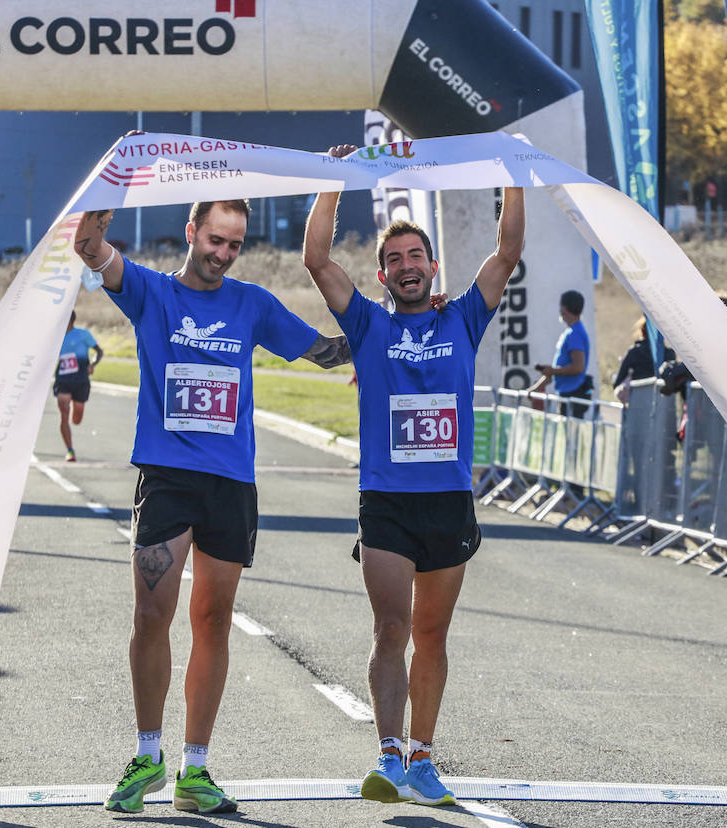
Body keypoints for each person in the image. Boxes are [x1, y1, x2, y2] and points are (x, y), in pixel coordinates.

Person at [75, 200, 351, 816]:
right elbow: (91, 249)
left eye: (235, 245)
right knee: (152, 612)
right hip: (168, 477)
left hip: (230, 483)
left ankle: (194, 770)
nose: (224, 254)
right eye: (216, 240)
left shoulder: (251, 303)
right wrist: (106, 194)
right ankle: (147, 753)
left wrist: (396, 328)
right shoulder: (150, 292)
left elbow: (325, 352)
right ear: (192, 232)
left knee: (213, 622)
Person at [302, 144, 523, 808]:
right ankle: (389, 754)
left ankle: (424, 759)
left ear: (432, 267)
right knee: (391, 629)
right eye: (393, 260)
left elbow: (507, 252)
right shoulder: (367, 324)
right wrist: (335, 184)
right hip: (388, 504)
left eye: (414, 257)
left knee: (431, 634)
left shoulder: (464, 317)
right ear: (382, 275)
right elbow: (316, 259)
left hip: (449, 502)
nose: (406, 267)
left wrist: (513, 177)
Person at [528, 290, 592, 417]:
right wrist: (535, 388)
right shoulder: (572, 331)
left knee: (571, 436)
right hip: (568, 395)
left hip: (572, 395)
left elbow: (578, 367)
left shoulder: (575, 333)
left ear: (564, 308)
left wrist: (553, 371)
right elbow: (557, 371)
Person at [54, 310, 103, 462]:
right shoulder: (55, 336)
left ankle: (75, 414)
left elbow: (99, 351)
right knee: (64, 414)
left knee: (76, 418)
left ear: (70, 321)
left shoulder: (83, 334)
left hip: (81, 381)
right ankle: (70, 450)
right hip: (63, 380)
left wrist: (93, 364)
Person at [612, 317, 672, 404]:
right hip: (663, 407)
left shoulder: (634, 352)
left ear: (642, 332)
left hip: (637, 407)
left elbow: (618, 381)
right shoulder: (669, 354)